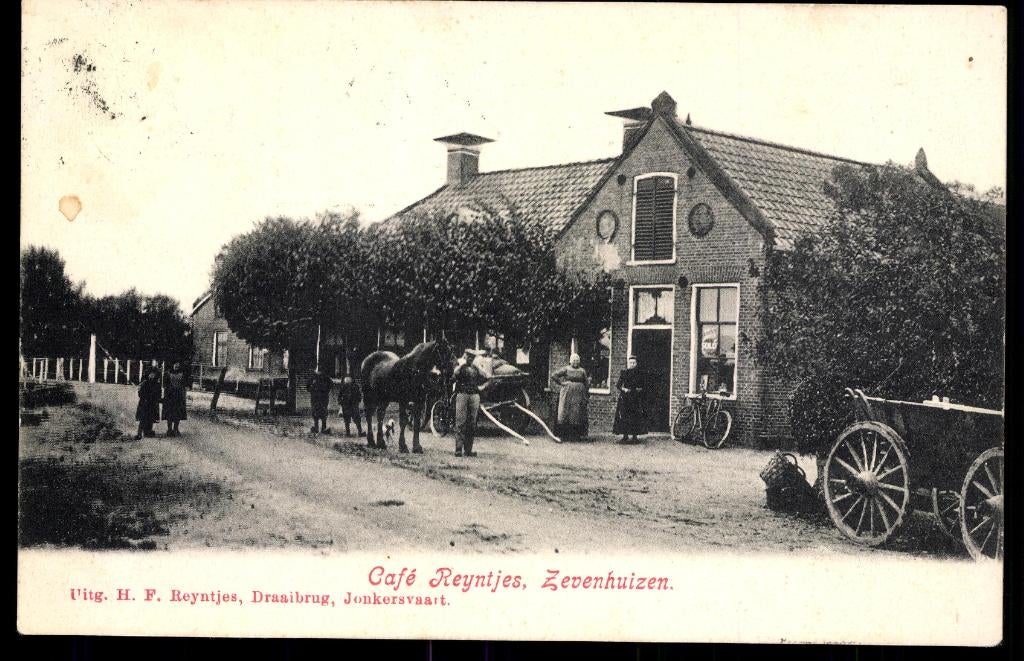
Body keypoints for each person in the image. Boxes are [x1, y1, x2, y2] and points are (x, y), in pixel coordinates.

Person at [453, 348, 487, 457]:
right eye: (468, 356)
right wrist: (462, 364)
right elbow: (455, 373)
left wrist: (482, 386)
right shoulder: (460, 366)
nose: (470, 358)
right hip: (462, 394)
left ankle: (468, 450)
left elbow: (486, 376)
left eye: (473, 357)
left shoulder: (475, 368)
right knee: (460, 422)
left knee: (472, 423)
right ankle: (458, 449)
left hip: (474, 395)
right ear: (465, 356)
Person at [550, 353, 591, 442]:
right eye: (573, 360)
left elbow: (586, 382)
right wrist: (562, 383)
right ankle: (564, 435)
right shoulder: (566, 369)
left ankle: (576, 435)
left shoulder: (582, 371)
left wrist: (586, 393)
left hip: (579, 395)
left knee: (577, 414)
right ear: (570, 361)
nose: (575, 362)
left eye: (577, 360)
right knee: (565, 412)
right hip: (567, 394)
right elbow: (554, 375)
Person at [613, 355, 647, 443]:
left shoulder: (640, 374)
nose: (632, 364)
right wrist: (624, 389)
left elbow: (644, 386)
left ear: (636, 363)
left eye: (634, 363)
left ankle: (635, 437)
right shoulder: (624, 373)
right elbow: (618, 385)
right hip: (625, 398)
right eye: (630, 363)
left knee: (635, 417)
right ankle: (625, 436)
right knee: (624, 416)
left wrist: (637, 389)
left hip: (635, 398)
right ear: (628, 363)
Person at [162, 361, 188, 437]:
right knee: (169, 413)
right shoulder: (167, 374)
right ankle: (169, 430)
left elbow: (184, 386)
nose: (176, 366)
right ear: (172, 365)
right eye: (175, 365)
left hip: (178, 396)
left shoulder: (182, 375)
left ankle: (176, 429)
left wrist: (183, 395)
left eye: (178, 365)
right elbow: (164, 385)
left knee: (178, 413)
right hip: (170, 396)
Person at [134, 368, 161, 440]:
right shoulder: (144, 383)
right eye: (151, 374)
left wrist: (157, 399)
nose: (152, 375)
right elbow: (140, 393)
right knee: (143, 418)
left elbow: (159, 394)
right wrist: (144, 398)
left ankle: (148, 431)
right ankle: (139, 433)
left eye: (153, 374)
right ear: (148, 374)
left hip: (152, 403)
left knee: (151, 418)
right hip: (144, 403)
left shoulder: (157, 384)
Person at [307, 368, 334, 434]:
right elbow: (307, 387)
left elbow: (331, 385)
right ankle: (316, 427)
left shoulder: (326, 378)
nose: (318, 372)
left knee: (324, 412)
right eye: (317, 370)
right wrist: (312, 390)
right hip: (315, 398)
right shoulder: (313, 378)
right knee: (315, 412)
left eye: (320, 370)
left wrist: (326, 391)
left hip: (323, 398)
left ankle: (323, 428)